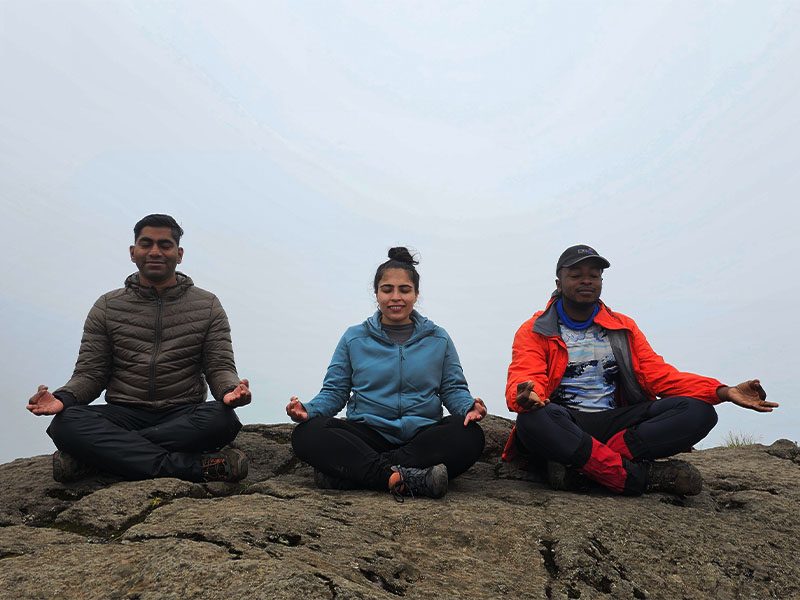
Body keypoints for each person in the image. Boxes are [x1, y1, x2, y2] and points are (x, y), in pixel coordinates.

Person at [504, 244, 777, 496]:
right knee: (533, 421)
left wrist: (724, 391)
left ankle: (591, 467)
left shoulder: (622, 327)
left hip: (615, 423)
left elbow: (659, 375)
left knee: (700, 412)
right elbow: (526, 375)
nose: (586, 281)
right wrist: (529, 396)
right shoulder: (535, 329)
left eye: (594, 275)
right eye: (576, 275)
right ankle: (635, 477)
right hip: (567, 422)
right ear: (559, 283)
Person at [26, 214, 252, 483]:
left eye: (165, 245)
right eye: (146, 244)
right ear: (133, 253)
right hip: (124, 413)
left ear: (179, 254)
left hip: (182, 412)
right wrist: (63, 398)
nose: (155, 252)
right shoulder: (108, 306)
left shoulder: (207, 305)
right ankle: (192, 468)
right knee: (66, 424)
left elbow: (220, 366)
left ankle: (96, 460)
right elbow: (91, 372)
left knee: (221, 419)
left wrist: (229, 391)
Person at [287, 247, 486, 500]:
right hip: (368, 433)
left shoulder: (438, 338)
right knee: (307, 433)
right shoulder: (354, 338)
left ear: (416, 294)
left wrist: (469, 407)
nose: (395, 297)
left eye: (404, 290)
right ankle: (407, 478)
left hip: (421, 436)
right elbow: (335, 392)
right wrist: (309, 409)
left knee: (468, 435)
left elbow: (452, 388)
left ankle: (356, 473)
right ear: (376, 293)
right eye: (387, 289)